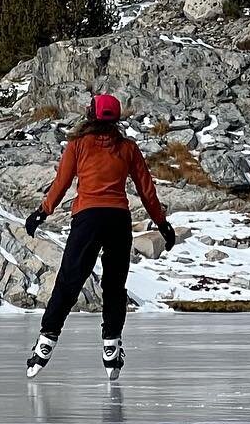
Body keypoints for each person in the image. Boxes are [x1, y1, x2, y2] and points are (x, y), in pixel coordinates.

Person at [23, 93, 175, 377]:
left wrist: (42, 212)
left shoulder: (77, 145)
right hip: (118, 220)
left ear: (90, 115)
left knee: (69, 280)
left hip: (88, 219)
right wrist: (162, 224)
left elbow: (62, 183)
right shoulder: (127, 147)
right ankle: (111, 345)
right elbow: (146, 190)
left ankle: (46, 340)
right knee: (114, 286)